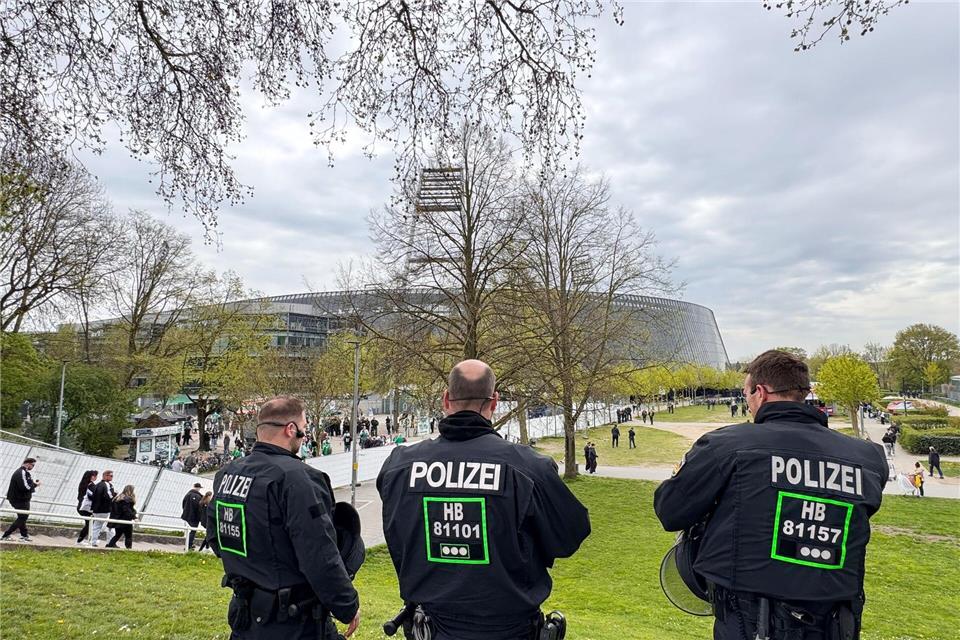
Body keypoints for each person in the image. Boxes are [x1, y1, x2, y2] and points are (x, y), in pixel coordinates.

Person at [654, 350, 888, 640]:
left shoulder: (726, 447)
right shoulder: (866, 458)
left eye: (746, 395)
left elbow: (671, 510)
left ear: (760, 393)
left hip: (748, 620)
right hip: (835, 621)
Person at [377, 359, 591, 640]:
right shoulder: (527, 468)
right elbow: (569, 535)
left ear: (445, 399)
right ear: (495, 402)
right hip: (505, 629)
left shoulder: (400, 467)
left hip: (431, 627)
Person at [207, 396, 360, 640]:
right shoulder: (298, 479)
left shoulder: (228, 473)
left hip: (245, 614)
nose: (305, 435)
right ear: (291, 429)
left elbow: (216, 538)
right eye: (304, 428)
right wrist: (347, 605)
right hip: (293, 621)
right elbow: (319, 554)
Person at [2, 457, 40, 542]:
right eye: (32, 465)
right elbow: (25, 487)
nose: (33, 467)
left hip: (21, 499)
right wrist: (36, 485)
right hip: (20, 500)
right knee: (23, 517)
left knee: (22, 517)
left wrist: (33, 484)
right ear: (28, 464)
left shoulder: (24, 472)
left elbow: (26, 485)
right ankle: (6, 535)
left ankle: (24, 536)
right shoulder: (21, 472)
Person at [88, 470, 116, 547]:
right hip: (105, 509)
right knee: (111, 526)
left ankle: (92, 542)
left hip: (96, 509)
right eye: (110, 476)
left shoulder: (98, 484)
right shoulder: (107, 485)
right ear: (105, 476)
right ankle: (111, 543)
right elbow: (109, 496)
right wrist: (115, 495)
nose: (111, 477)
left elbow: (92, 496)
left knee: (96, 526)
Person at [106, 485, 138, 549]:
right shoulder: (128, 500)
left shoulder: (118, 498)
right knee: (128, 536)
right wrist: (134, 516)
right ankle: (129, 548)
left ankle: (110, 545)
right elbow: (127, 510)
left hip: (118, 520)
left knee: (117, 535)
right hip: (126, 521)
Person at [75, 470, 98, 544]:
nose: (96, 477)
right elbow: (93, 496)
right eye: (94, 475)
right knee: (90, 524)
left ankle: (82, 540)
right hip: (86, 508)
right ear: (91, 477)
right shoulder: (91, 485)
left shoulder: (83, 484)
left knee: (90, 523)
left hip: (81, 507)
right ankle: (81, 541)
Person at [181, 482, 204, 550]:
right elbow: (199, 508)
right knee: (193, 531)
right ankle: (189, 545)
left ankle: (190, 544)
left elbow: (183, 503)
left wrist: (185, 511)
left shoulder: (188, 494)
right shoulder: (199, 496)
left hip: (187, 515)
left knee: (190, 530)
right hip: (194, 517)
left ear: (193, 486)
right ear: (199, 488)